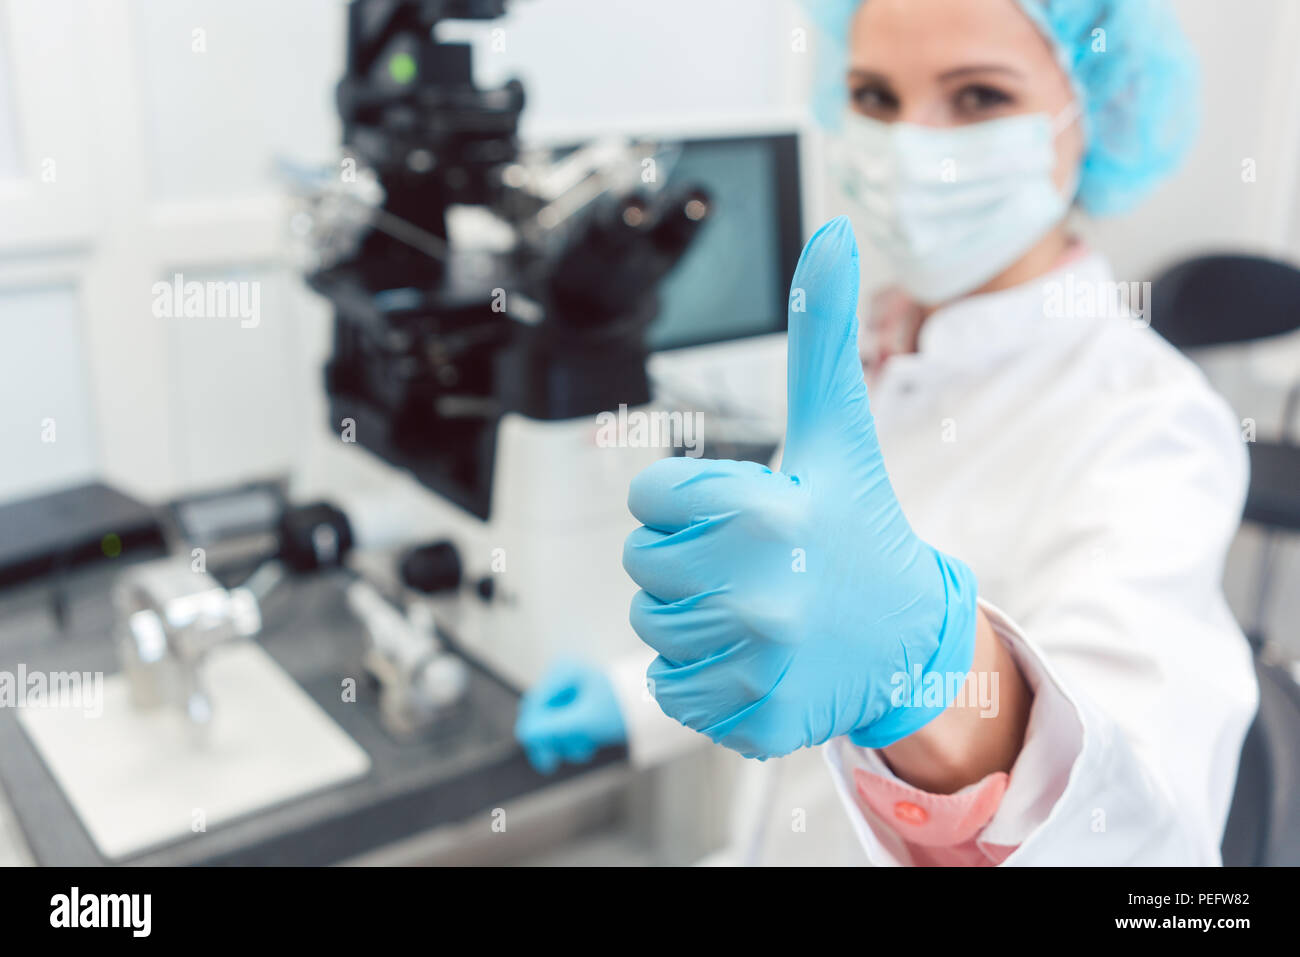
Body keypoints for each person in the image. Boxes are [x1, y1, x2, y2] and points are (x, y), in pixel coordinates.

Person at [516, 0, 1257, 866]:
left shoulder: (1153, 424)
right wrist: (638, 694)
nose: (911, 145)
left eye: (978, 96)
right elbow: (806, 623)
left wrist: (935, 679)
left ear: (1096, 113)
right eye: (873, 94)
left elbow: (1149, 858)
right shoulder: (868, 344)